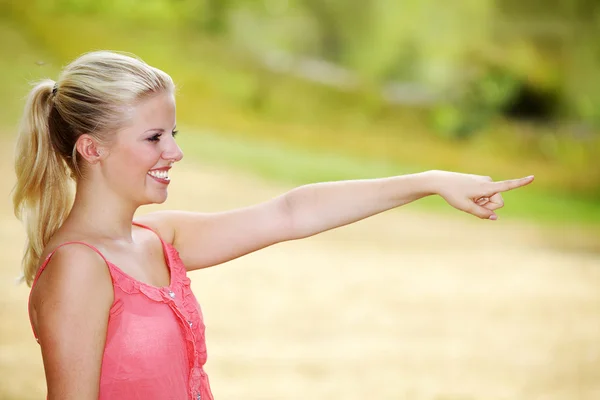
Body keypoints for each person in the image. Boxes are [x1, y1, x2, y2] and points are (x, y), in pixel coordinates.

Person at [12, 50, 534, 400]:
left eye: (173, 132)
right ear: (91, 148)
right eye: (154, 138)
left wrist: (429, 180)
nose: (175, 151)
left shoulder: (156, 239)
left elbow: (290, 213)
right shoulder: (79, 268)